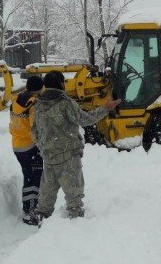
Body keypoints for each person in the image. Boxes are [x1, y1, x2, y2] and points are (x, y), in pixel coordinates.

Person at [31, 71, 121, 221]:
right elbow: (84, 119)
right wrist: (105, 109)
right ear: (61, 84)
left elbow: (34, 130)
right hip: (68, 156)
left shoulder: (39, 104)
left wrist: (43, 146)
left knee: (46, 196)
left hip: (48, 156)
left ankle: (42, 223)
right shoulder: (65, 103)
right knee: (74, 196)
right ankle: (76, 227)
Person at [9, 75, 44, 225]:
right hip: (30, 146)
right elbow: (35, 128)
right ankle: (31, 212)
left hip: (18, 145)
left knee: (29, 176)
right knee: (34, 178)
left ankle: (28, 208)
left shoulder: (17, 100)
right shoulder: (33, 104)